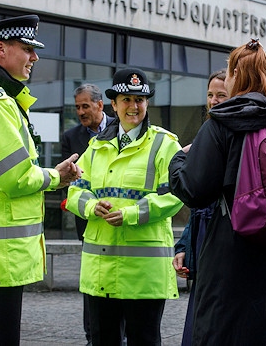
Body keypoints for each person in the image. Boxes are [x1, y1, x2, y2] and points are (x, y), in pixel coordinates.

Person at [168, 39, 266, 345]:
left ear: (236, 76)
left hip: (232, 258)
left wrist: (178, 159)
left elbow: (194, 189)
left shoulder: (222, 124)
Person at [0, 14, 81, 346]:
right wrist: (58, 176)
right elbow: (16, 178)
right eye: (27, 49)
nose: (34, 58)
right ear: (1, 50)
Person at [64, 67, 183, 346]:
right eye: (126, 100)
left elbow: (176, 196)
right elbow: (75, 191)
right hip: (101, 270)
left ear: (147, 104)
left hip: (143, 275)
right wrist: (92, 206)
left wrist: (131, 214)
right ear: (114, 105)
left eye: (139, 100)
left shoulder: (165, 144)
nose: (133, 106)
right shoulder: (96, 146)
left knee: (144, 340)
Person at [171, 68, 228, 346]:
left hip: (223, 243)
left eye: (221, 94)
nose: (214, 101)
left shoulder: (232, 136)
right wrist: (183, 247)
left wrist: (179, 158)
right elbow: (197, 202)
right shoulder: (207, 132)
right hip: (203, 239)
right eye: (210, 95)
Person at [60, 83, 113, 346]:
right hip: (89, 221)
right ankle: (92, 335)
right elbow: (67, 182)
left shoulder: (121, 127)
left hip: (118, 217)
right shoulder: (71, 137)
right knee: (92, 281)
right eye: (77, 107)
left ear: (100, 105)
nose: (81, 112)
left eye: (85, 106)